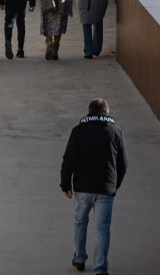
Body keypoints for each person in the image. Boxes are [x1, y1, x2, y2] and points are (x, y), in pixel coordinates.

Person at [61, 98, 128, 275]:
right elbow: (123, 163)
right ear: (107, 113)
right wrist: (115, 185)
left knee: (80, 222)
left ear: (89, 112)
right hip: (105, 189)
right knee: (103, 228)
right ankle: (100, 268)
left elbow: (69, 160)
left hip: (82, 188)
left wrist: (65, 184)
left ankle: (80, 258)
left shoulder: (78, 131)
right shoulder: (116, 131)